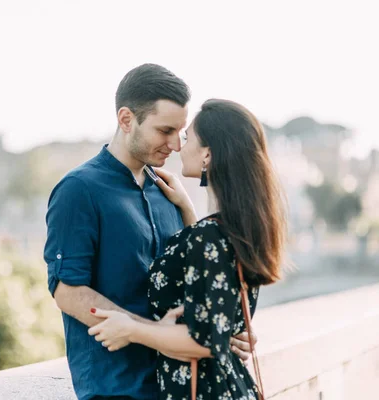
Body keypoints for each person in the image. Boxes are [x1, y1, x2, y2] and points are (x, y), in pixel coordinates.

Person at [44, 65, 255, 399]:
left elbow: (195, 278)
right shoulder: (78, 190)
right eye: (165, 130)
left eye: (180, 132)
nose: (174, 144)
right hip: (118, 389)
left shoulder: (169, 193)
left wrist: (221, 329)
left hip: (180, 387)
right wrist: (152, 332)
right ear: (127, 119)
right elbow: (67, 292)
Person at [88, 99, 287, 399]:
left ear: (207, 153)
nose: (179, 146)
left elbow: (205, 340)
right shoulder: (233, 230)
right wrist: (186, 207)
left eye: (187, 137)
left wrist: (130, 329)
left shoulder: (211, 236)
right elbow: (205, 276)